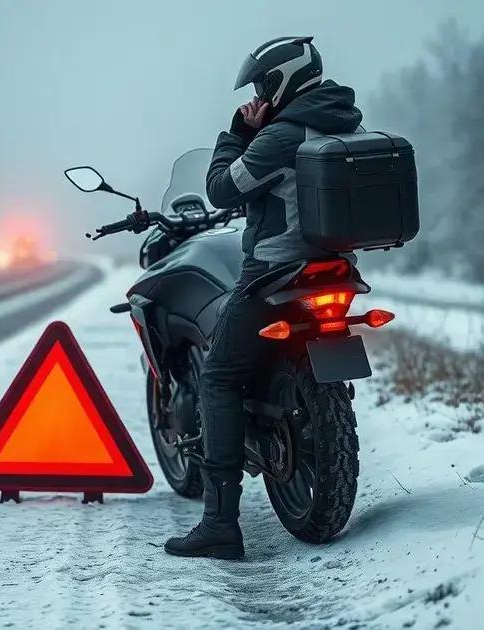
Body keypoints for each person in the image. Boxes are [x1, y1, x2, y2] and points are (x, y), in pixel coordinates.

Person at [164, 36, 363, 560]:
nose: (256, 94)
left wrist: (236, 133)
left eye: (260, 84)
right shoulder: (345, 122)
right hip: (331, 269)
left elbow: (222, 190)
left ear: (282, 79)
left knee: (220, 376)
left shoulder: (280, 136)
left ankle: (219, 525)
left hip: (273, 273)